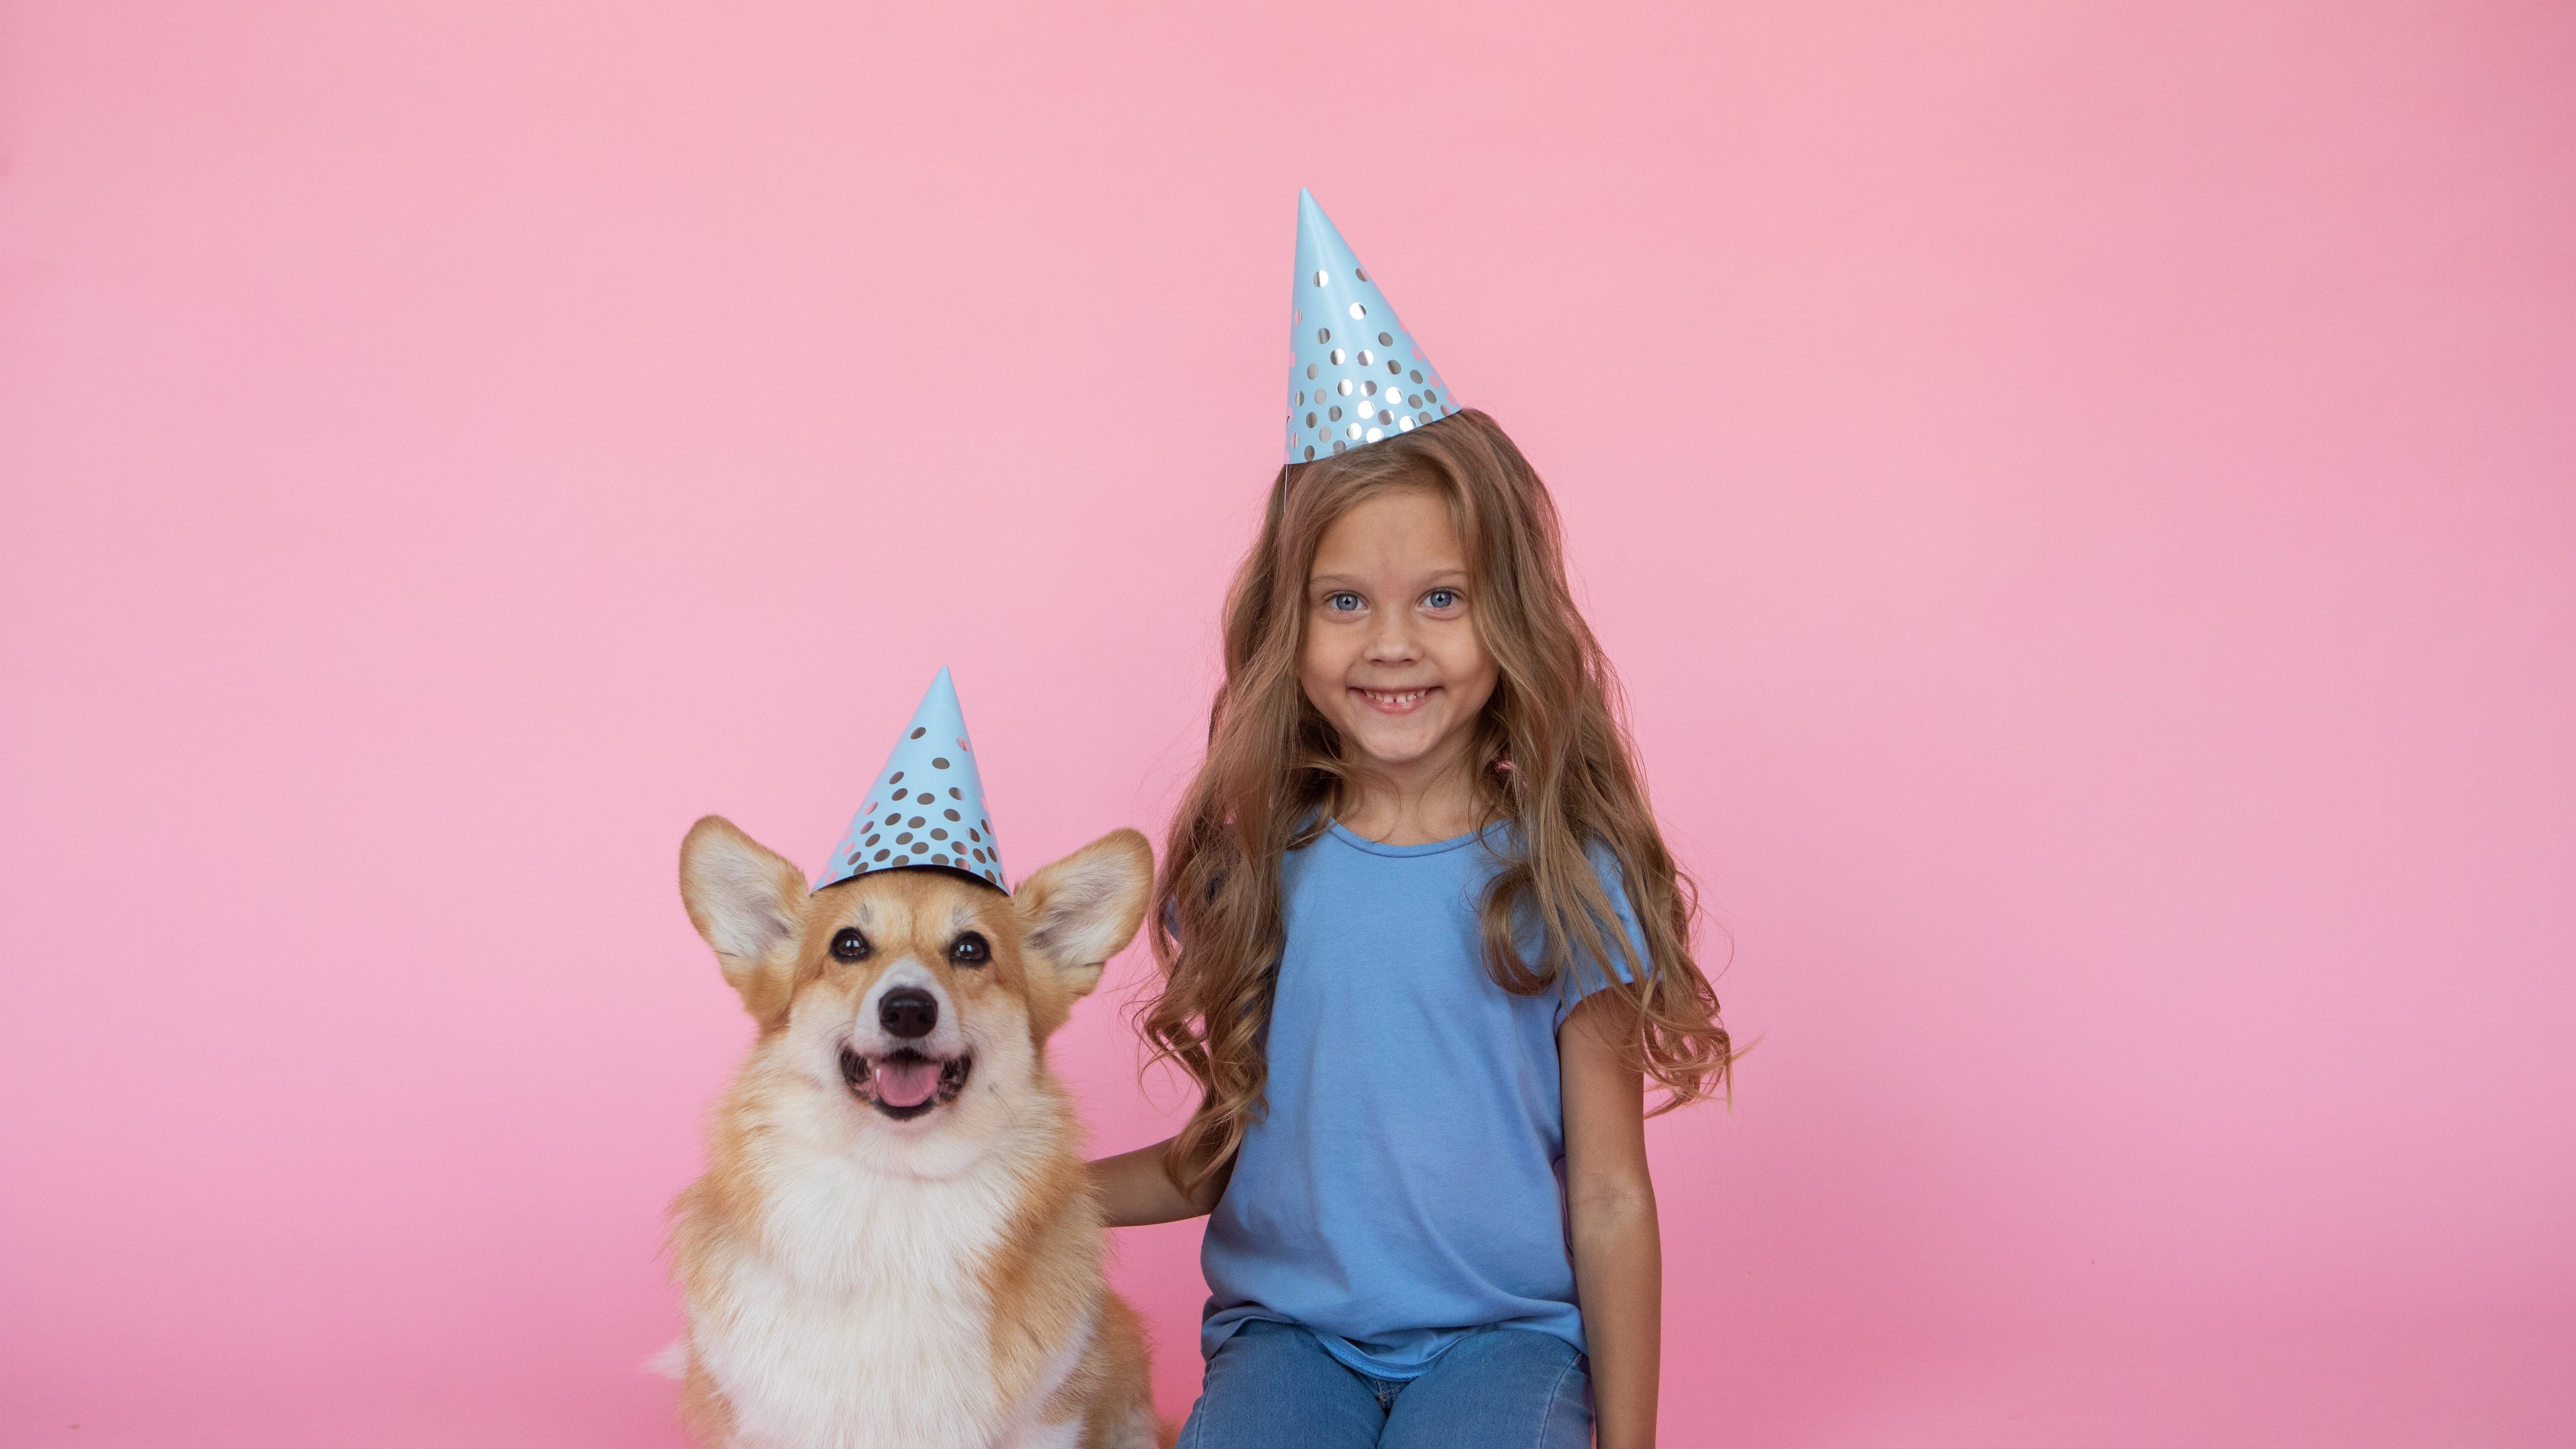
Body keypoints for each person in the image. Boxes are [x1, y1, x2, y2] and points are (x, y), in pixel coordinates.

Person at [1088, 194, 1734, 1449]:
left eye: (1441, 597)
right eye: (1345, 601)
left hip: (1505, 1344)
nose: (1393, 644)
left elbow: (1606, 1196)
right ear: (1289, 625)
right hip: (1289, 1343)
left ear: (1510, 620)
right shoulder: (1249, 874)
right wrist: (1005, 1196)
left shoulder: (1561, 873)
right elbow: (1215, 1159)